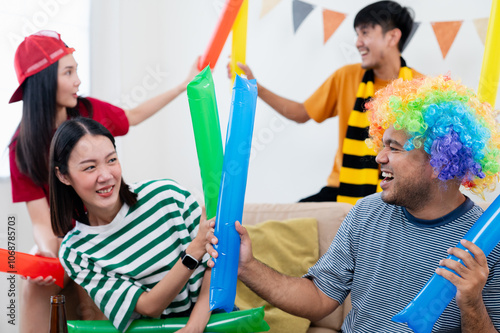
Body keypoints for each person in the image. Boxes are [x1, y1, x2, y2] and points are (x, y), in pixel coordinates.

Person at [207, 75, 500, 332]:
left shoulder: (487, 243)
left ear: (440, 162)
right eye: (382, 144)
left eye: (394, 148)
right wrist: (245, 266)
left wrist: (471, 302)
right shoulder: (367, 212)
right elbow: (319, 298)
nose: (379, 157)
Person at [8, 30, 200, 333]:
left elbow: (132, 115)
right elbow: (43, 222)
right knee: (32, 285)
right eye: (68, 72)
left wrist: (183, 87)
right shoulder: (21, 146)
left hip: (105, 224)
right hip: (66, 236)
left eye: (77, 70)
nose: (78, 81)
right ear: (44, 82)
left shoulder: (85, 112)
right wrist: (48, 253)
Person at [230, 1, 422, 203]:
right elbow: (301, 113)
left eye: (365, 33)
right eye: (357, 34)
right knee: (284, 224)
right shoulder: (346, 77)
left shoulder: (421, 89)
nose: (357, 42)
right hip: (341, 188)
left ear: (392, 36)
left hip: (394, 191)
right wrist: (255, 87)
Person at [49, 117, 211, 332]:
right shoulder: (76, 252)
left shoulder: (168, 196)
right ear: (63, 175)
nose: (106, 176)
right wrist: (194, 252)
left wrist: (195, 326)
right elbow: (149, 306)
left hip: (212, 320)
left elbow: (217, 265)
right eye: (90, 167)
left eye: (112, 160)